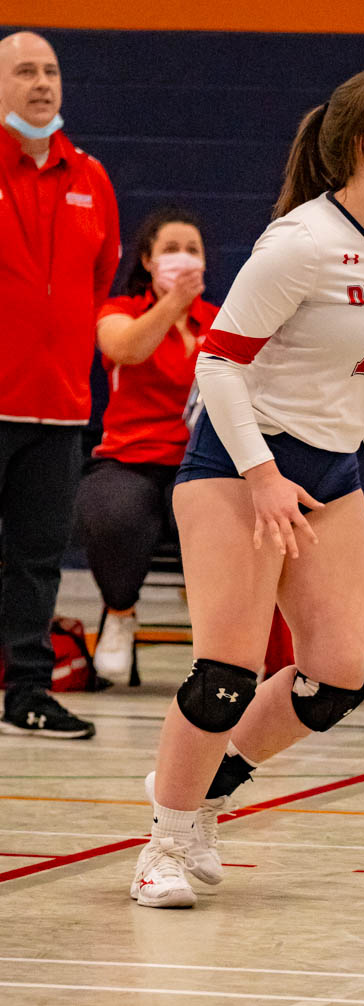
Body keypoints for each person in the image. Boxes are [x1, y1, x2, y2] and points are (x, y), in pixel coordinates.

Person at [129, 64, 364, 908]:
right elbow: (219, 366)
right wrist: (261, 476)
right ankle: (163, 841)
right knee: (225, 673)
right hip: (239, 463)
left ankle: (208, 790)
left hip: (330, 471)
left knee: (335, 680)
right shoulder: (300, 242)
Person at [0, 30, 119, 738]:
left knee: (39, 562)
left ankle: (28, 693)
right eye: (23, 72)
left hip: (58, 410)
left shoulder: (91, 179)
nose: (41, 83)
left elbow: (97, 282)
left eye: (50, 71)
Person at [75, 207, 218, 683]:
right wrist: (171, 305)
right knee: (113, 515)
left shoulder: (217, 322)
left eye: (192, 250)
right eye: (171, 250)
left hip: (198, 462)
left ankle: (221, 644)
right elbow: (126, 350)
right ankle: (120, 613)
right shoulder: (120, 311)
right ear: (148, 260)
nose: (182, 258)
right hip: (128, 458)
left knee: (225, 523)